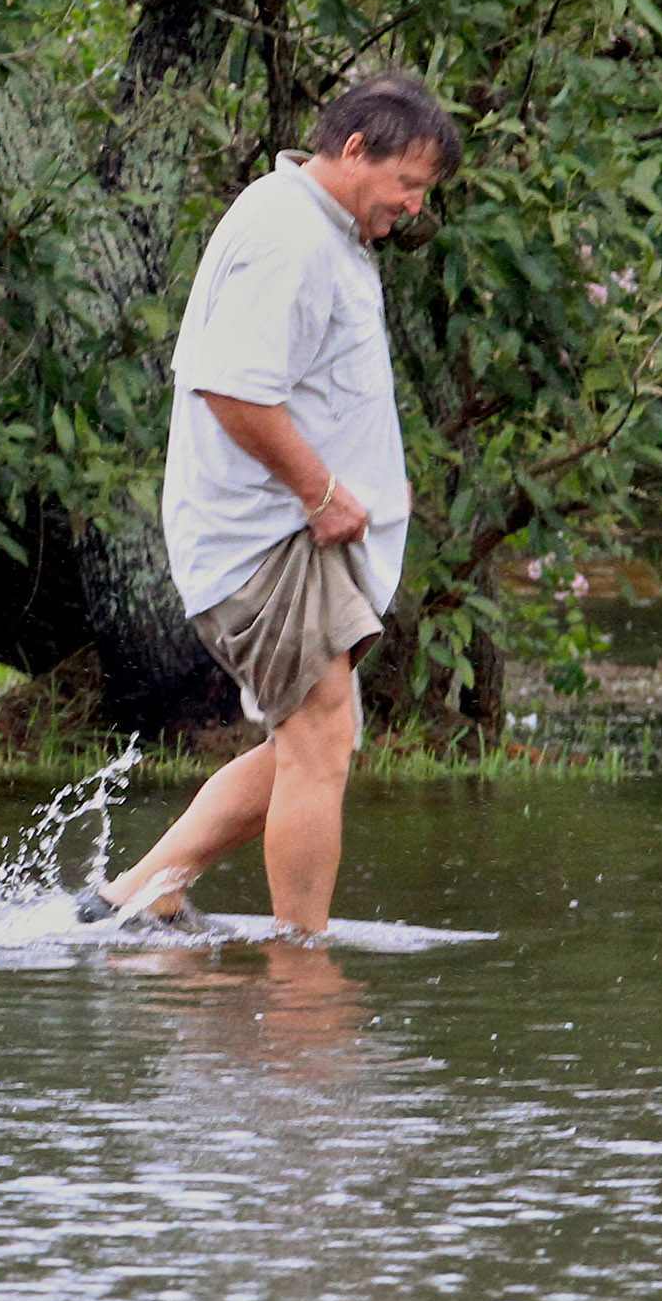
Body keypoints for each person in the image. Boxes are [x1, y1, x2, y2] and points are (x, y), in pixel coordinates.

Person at [80, 72, 460, 938]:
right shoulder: (287, 229)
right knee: (321, 744)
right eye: (409, 185)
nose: (413, 206)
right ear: (355, 148)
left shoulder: (322, 232)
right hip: (268, 540)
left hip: (292, 537)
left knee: (309, 744)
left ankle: (142, 891)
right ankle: (303, 968)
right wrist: (323, 493)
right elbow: (233, 389)